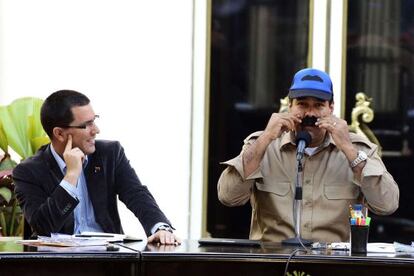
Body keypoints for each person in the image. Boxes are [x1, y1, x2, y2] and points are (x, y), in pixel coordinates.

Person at [217, 68, 399, 242]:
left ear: (331, 108)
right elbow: (228, 196)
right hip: (273, 261)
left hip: (333, 263)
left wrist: (349, 150)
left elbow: (387, 204)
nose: (309, 114)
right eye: (302, 104)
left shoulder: (359, 149)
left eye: (318, 105)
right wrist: (266, 138)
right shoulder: (262, 145)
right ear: (289, 105)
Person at [13, 90, 180, 245]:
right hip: (60, 263)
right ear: (59, 133)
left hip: (107, 259)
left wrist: (160, 228)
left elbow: (136, 194)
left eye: (95, 120)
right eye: (87, 125)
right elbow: (43, 228)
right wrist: (71, 176)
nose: (96, 130)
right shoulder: (28, 172)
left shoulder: (110, 154)